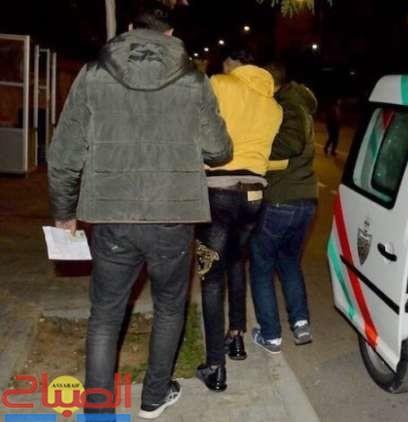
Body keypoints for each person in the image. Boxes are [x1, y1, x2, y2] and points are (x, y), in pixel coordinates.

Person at [47, 1, 232, 419]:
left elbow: (64, 154)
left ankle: (98, 412)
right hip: (173, 216)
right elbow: (219, 150)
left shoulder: (93, 74)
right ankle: (153, 397)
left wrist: (63, 213)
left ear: (129, 28)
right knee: (169, 307)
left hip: (111, 216)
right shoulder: (193, 79)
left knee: (104, 316)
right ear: (170, 35)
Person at [194, 51, 283, 391]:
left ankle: (215, 366)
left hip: (219, 191)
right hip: (254, 196)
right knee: (235, 262)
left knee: (210, 276)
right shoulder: (273, 105)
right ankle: (236, 337)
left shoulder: (220, 83)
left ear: (231, 62)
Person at [249, 64, 318, 354]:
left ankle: (271, 336)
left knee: (261, 266)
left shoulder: (287, 105)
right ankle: (300, 324)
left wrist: (255, 149)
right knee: (288, 263)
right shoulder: (299, 103)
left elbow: (290, 143)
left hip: (281, 200)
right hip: (304, 201)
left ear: (269, 82)